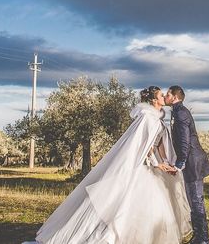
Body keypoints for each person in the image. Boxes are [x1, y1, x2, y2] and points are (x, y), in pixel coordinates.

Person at [31, 86, 191, 244]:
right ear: (154, 100)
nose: (165, 97)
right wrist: (157, 165)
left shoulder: (157, 119)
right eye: (161, 95)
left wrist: (165, 162)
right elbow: (144, 147)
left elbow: (157, 144)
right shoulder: (147, 118)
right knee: (132, 206)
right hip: (145, 168)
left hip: (154, 167)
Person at [165, 85, 209, 244]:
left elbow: (185, 141)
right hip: (191, 161)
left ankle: (203, 239)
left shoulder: (180, 113)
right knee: (194, 201)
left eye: (167, 94)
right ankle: (199, 236)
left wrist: (180, 163)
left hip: (193, 162)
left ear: (174, 97)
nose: (165, 97)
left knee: (196, 200)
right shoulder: (177, 111)